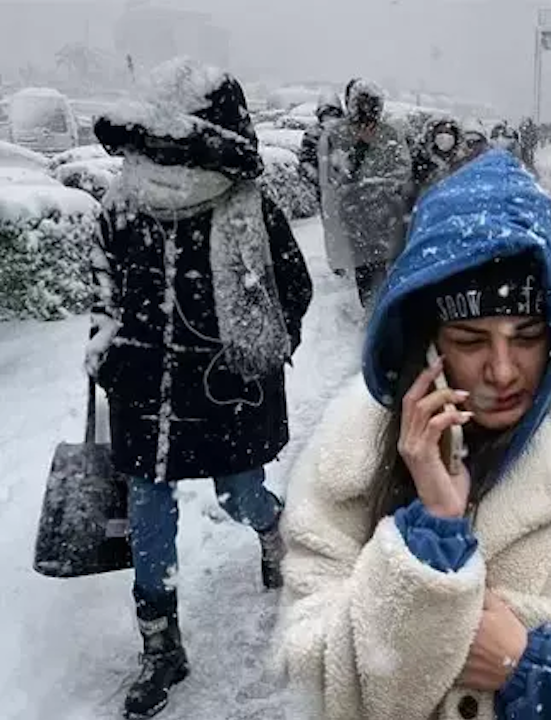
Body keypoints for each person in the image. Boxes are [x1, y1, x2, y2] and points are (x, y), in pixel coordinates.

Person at [276, 150, 551, 720]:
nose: (503, 370)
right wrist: (429, 536)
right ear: (428, 343)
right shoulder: (349, 468)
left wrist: (540, 669)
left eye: (527, 336)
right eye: (470, 341)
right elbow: (314, 678)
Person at [88, 57, 313, 720]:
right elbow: (103, 290)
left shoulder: (248, 206)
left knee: (239, 493)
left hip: (224, 389)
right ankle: (161, 645)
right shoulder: (123, 203)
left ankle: (272, 530)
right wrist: (107, 352)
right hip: (144, 390)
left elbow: (292, 288)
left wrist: (260, 349)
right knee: (149, 511)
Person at [318, 78, 412, 308]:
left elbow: (403, 168)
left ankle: (388, 310)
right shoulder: (336, 134)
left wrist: (384, 186)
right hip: (355, 216)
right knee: (366, 271)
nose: (368, 110)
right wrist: (360, 149)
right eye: (362, 104)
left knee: (390, 268)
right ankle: (372, 313)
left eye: (372, 104)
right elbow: (333, 177)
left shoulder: (390, 133)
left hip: (387, 213)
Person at [298, 92, 344, 189]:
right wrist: (317, 178)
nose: (330, 119)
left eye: (333, 114)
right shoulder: (313, 134)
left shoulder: (345, 133)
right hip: (323, 186)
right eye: (327, 114)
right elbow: (305, 161)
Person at [412, 116, 463, 193]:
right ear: (432, 136)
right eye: (440, 132)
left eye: (448, 133)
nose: (444, 136)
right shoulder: (421, 161)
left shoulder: (461, 162)